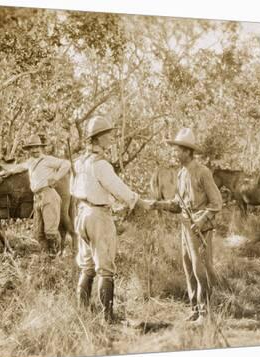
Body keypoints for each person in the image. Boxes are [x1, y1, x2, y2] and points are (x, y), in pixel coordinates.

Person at [71, 115, 152, 323]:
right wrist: (139, 202)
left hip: (81, 214)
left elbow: (74, 189)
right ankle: (107, 317)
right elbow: (119, 189)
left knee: (86, 266)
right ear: (97, 139)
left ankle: (83, 315)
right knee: (105, 268)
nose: (111, 139)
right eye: (107, 135)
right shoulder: (101, 165)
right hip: (98, 215)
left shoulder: (80, 162)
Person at [150, 128, 223, 325]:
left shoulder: (203, 172)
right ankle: (195, 309)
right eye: (174, 150)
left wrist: (201, 220)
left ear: (188, 152)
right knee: (188, 268)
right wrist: (157, 204)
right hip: (185, 227)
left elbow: (217, 203)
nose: (175, 153)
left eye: (178, 150)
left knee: (201, 270)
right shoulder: (181, 173)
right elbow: (178, 205)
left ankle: (206, 312)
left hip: (200, 228)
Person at [0, 135, 71, 256]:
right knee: (38, 232)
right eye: (32, 148)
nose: (34, 150)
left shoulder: (48, 160)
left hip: (48, 194)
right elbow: (18, 168)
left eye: (36, 147)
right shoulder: (30, 162)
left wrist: (56, 178)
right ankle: (46, 255)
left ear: (41, 147)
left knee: (50, 230)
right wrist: (6, 171)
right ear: (29, 150)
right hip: (37, 197)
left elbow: (66, 164)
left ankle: (55, 255)